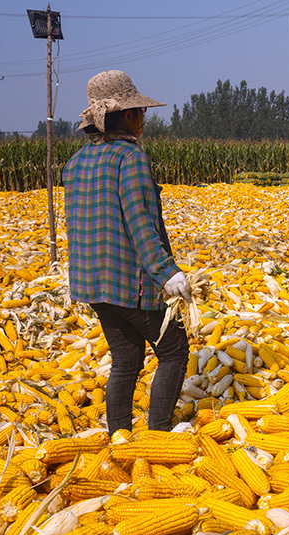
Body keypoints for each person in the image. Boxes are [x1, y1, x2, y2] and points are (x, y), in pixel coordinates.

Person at [62, 70, 191, 436]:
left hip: (92, 284)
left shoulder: (76, 163)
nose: (144, 118)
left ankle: (119, 436)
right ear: (128, 116)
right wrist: (168, 273)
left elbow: (86, 224)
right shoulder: (130, 158)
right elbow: (140, 223)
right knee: (174, 351)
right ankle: (158, 434)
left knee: (126, 359)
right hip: (129, 283)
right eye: (139, 111)